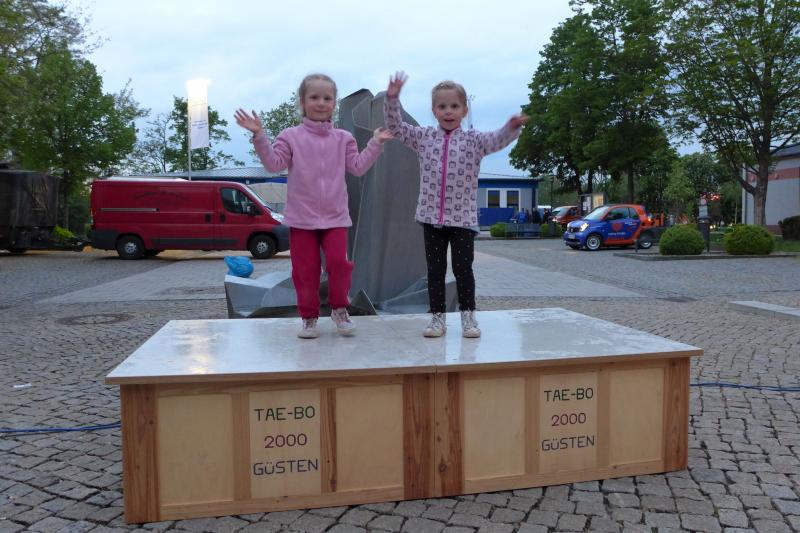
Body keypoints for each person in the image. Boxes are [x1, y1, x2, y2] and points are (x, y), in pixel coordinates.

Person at [235, 73, 392, 339]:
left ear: (334, 103)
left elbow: (357, 167)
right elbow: (273, 164)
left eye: (327, 98)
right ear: (302, 102)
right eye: (314, 97)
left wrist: (375, 143)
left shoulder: (343, 138)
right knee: (305, 271)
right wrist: (260, 135)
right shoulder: (290, 136)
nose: (321, 103)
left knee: (339, 264)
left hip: (335, 218)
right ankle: (309, 317)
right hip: (301, 220)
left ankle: (339, 309)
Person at [384, 71, 527, 338]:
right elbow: (397, 128)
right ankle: (437, 318)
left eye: (454, 106)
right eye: (442, 106)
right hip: (431, 218)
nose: (448, 111)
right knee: (435, 271)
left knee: (463, 269)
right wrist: (392, 99)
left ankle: (468, 317)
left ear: (464, 110)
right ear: (434, 111)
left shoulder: (474, 141)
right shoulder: (424, 137)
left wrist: (511, 127)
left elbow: (498, 139)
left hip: (462, 219)